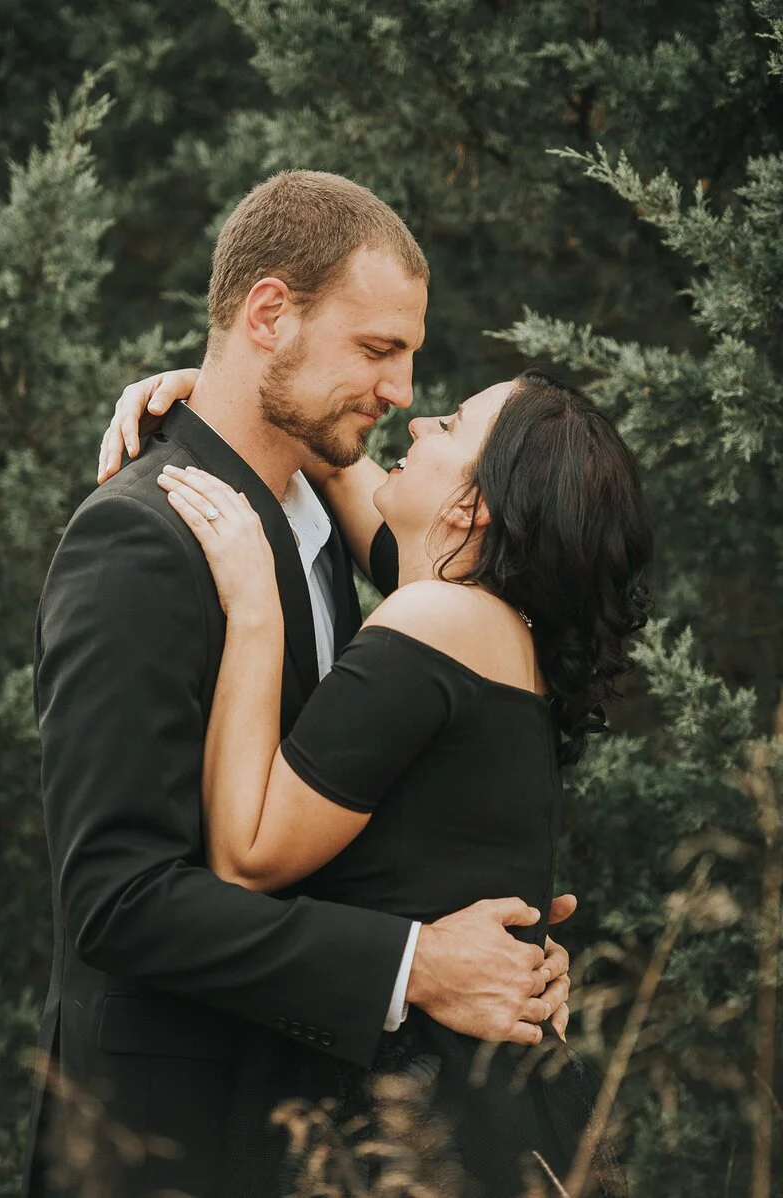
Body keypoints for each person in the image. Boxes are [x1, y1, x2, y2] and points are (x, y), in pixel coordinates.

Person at [26, 171, 575, 1198]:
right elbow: (115, 899)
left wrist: (491, 941)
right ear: (269, 315)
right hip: (164, 1143)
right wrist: (414, 963)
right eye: (377, 350)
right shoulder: (140, 539)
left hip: (305, 1135)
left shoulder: (320, 529)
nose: (404, 389)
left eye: (409, 354)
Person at [97, 362, 652, 1196]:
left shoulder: (438, 619)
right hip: (483, 1097)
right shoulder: (489, 620)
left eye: (453, 425)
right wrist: (226, 387)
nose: (419, 424)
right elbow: (336, 460)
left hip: (422, 1112)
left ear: (473, 507)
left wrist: (256, 609)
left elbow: (249, 854)